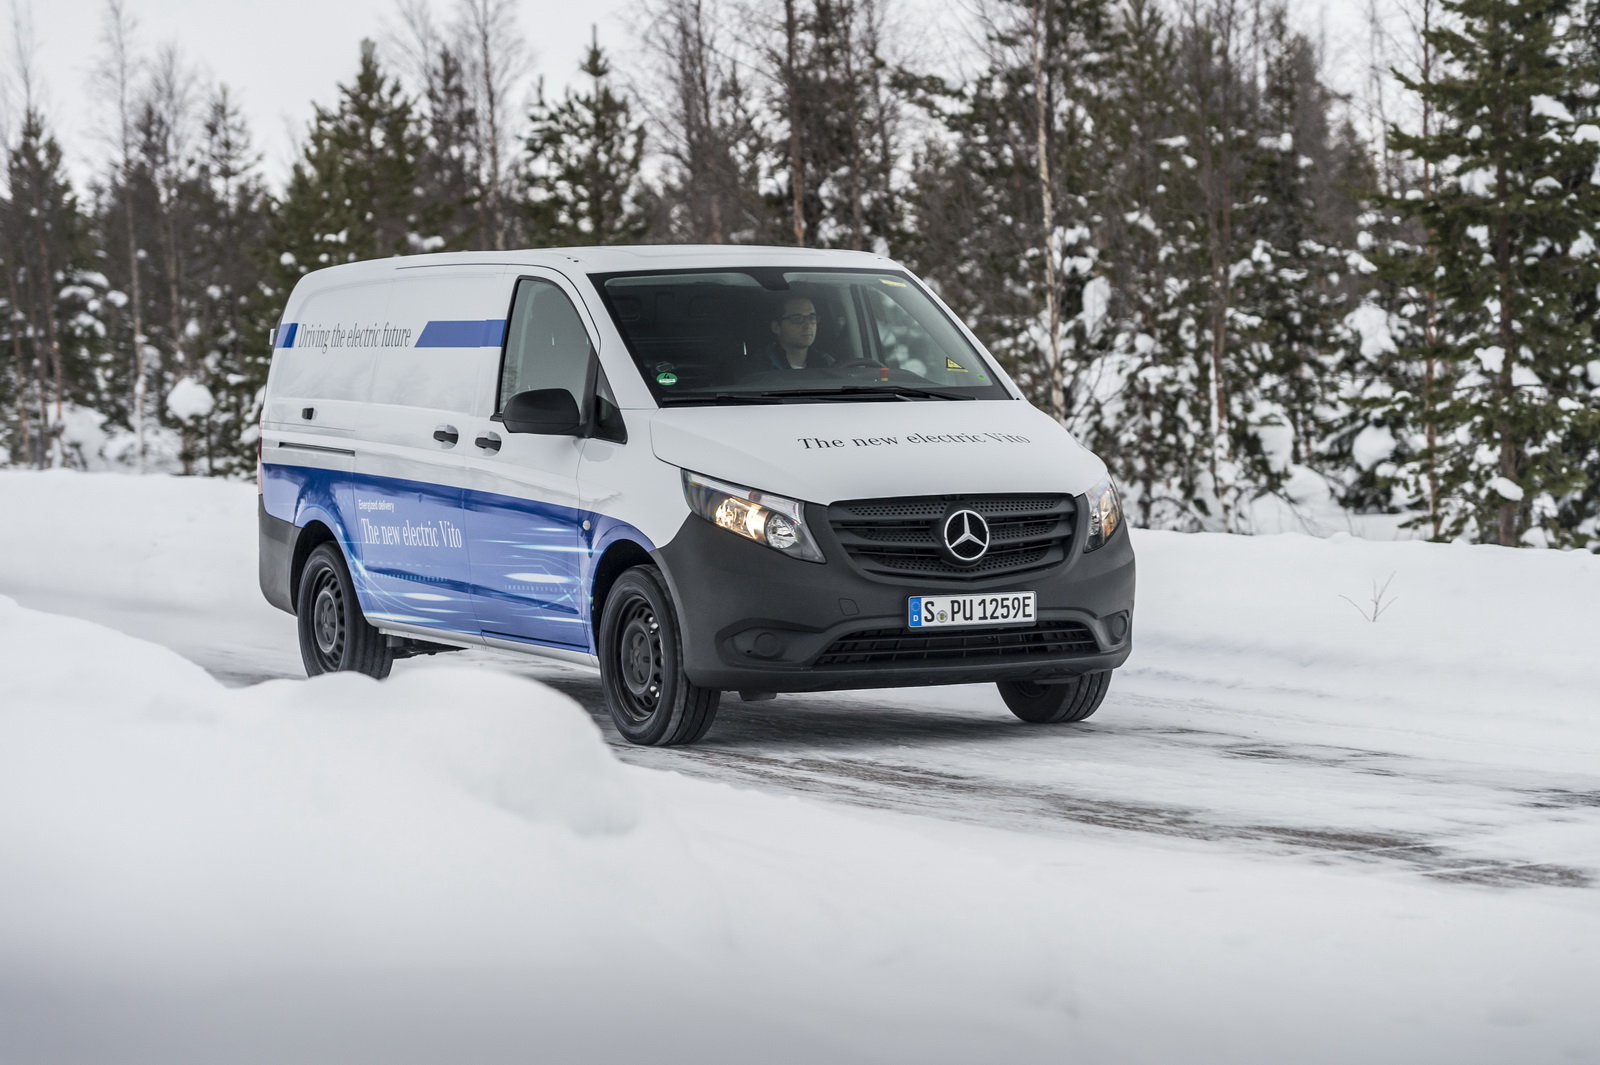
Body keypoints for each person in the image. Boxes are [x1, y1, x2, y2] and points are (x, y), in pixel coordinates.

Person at [766, 295, 835, 370]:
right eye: (797, 319)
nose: (808, 326)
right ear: (776, 327)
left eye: (811, 318)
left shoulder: (828, 363)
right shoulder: (759, 366)